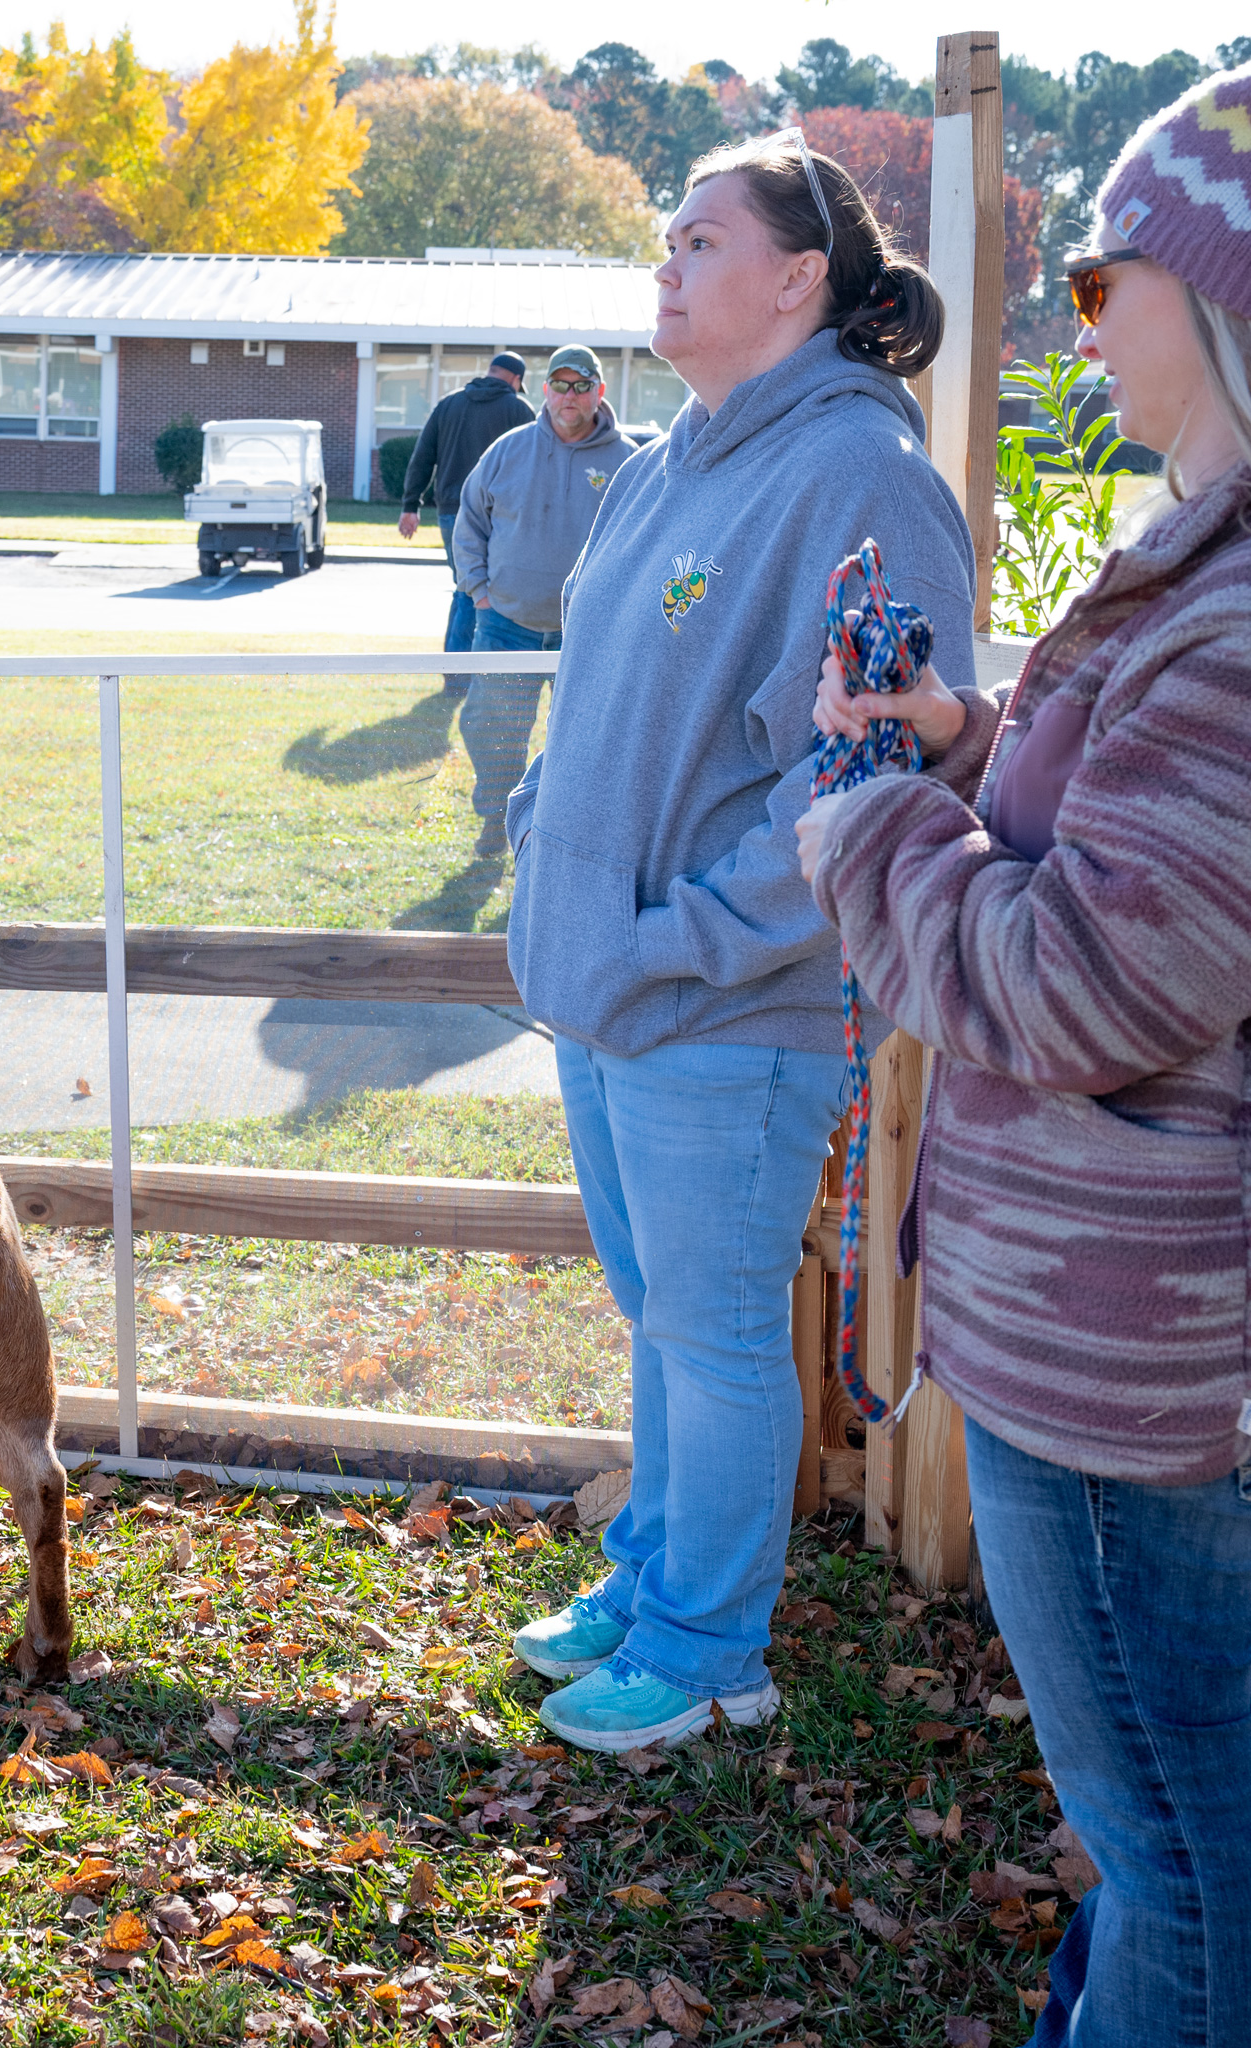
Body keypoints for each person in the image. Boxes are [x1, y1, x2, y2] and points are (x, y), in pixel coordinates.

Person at [797, 62, 1251, 2048]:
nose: (1080, 318)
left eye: (1100, 272)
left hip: (1131, 1363)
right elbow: (1169, 879)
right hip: (1131, 1331)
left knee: (1178, 1863)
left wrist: (857, 812)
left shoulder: (1233, 623)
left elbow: (1080, 978)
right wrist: (974, 750)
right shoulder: (1203, 575)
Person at [500, 131, 974, 1753]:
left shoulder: (862, 478)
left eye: (698, 239)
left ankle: (709, 1649)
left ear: (795, 277)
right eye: (664, 235)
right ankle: (647, 1576)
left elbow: (866, 783)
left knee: (711, 1333)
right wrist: (545, 859)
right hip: (607, 989)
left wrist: (667, 940)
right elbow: (593, 700)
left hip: (731, 1005)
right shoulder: (659, 464)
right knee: (660, 1318)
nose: (663, 261)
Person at [452, 345, 627, 856]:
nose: (568, 395)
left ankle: (560, 829)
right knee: (491, 727)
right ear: (543, 390)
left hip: (587, 634)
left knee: (583, 739)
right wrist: (480, 593)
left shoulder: (629, 461)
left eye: (580, 385)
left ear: (598, 391)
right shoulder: (508, 451)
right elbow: (469, 524)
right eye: (559, 384)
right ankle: (496, 818)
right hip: (506, 622)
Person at [397, 352, 534, 687]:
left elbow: (422, 457)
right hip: (500, 515)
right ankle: (477, 673)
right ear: (515, 379)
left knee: (465, 588)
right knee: (490, 590)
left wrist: (410, 505)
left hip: (450, 510)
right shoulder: (519, 410)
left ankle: (458, 674)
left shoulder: (449, 404)